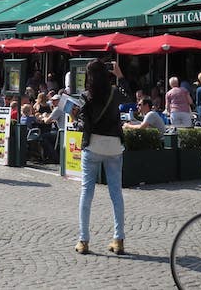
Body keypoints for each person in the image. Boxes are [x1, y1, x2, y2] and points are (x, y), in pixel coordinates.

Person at [76, 59, 128, 256]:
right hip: (114, 146)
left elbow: (82, 124)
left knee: (86, 192)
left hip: (93, 146)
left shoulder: (86, 96)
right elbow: (127, 96)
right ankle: (118, 239)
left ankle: (83, 240)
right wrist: (120, 75)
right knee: (116, 193)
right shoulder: (114, 93)